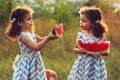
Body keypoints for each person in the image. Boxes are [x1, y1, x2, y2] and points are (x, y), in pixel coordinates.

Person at [5, 6, 58, 80]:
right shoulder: (23, 37)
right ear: (20, 22)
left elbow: (41, 39)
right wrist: (49, 38)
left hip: (35, 61)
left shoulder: (30, 33)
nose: (32, 21)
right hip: (28, 62)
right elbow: (36, 47)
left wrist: (52, 35)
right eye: (29, 19)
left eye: (31, 18)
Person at [68, 6, 110, 80]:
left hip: (96, 65)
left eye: (84, 21)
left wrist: (105, 53)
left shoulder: (100, 36)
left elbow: (107, 50)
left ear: (93, 23)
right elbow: (75, 49)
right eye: (80, 20)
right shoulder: (80, 35)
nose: (81, 23)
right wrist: (79, 51)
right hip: (82, 64)